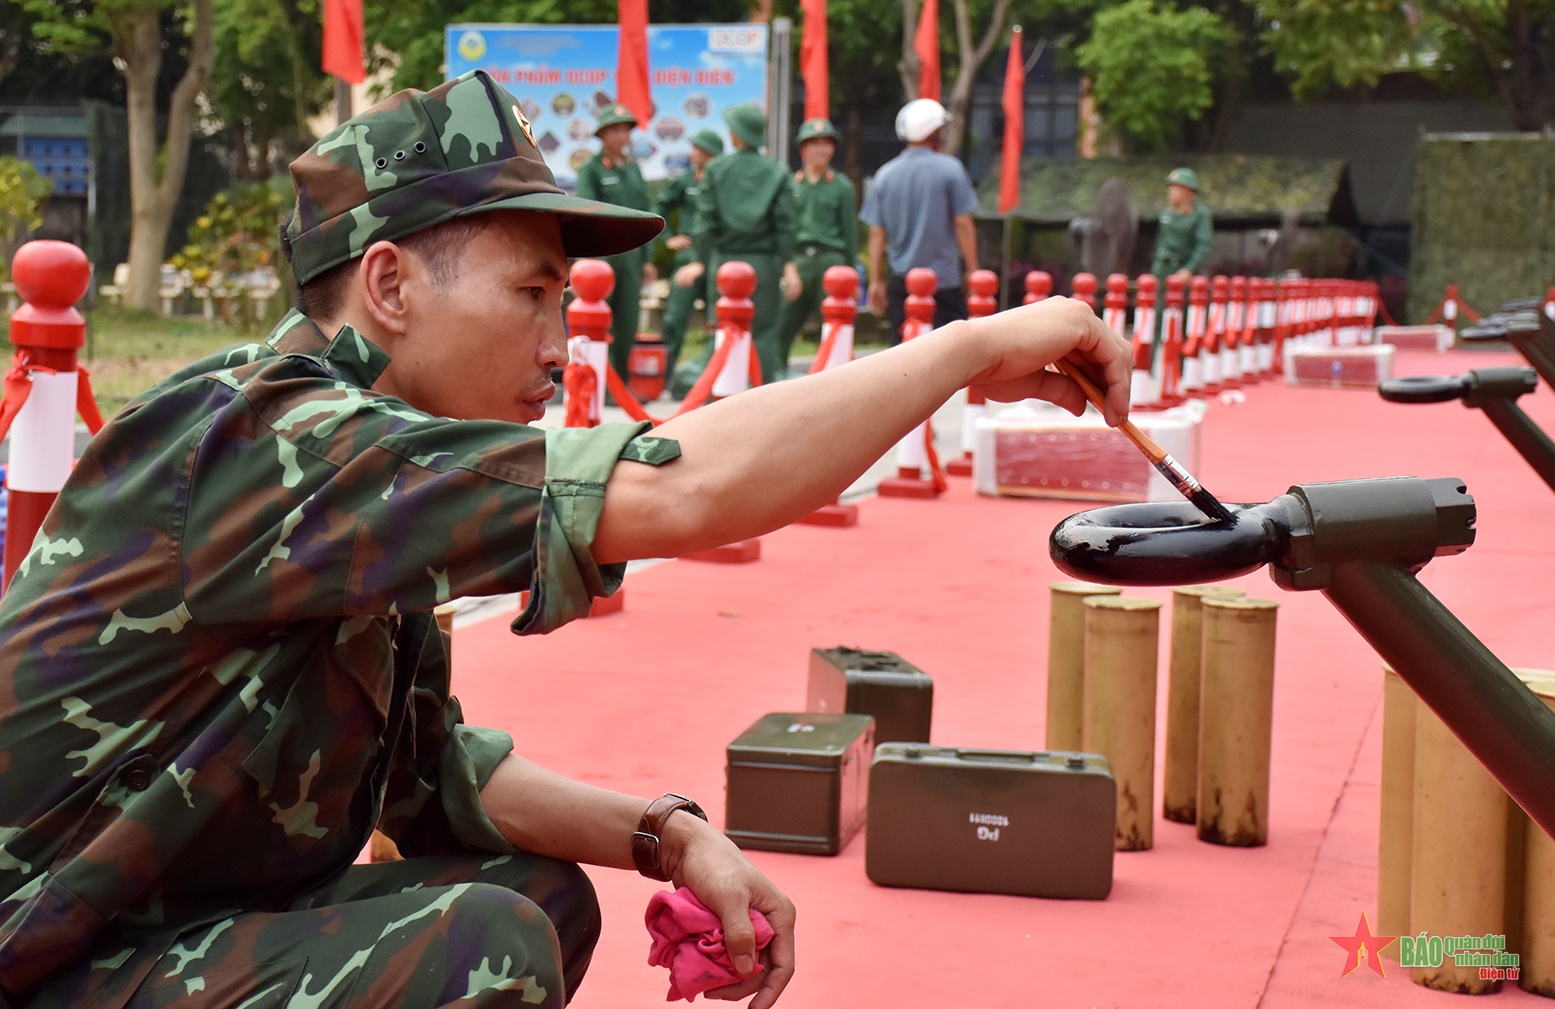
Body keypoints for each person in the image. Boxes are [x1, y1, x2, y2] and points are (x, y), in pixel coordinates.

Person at [0, 70, 1131, 1009]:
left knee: (540, 896)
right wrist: (968, 349)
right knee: (485, 944)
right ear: (388, 284)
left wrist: (668, 833)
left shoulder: (374, 470)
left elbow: (426, 768)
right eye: (532, 293)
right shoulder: (270, 441)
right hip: (41, 957)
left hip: (142, 932)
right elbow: (685, 490)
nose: (560, 344)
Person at [678, 103, 801, 384]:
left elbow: (705, 222)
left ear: (736, 135)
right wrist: (789, 266)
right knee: (765, 335)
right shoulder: (778, 171)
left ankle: (718, 402)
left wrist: (699, 260)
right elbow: (785, 225)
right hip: (764, 267)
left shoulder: (716, 169)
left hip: (725, 267)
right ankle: (765, 402)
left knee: (721, 333)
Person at [859, 98, 980, 342]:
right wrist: (973, 270)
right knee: (950, 352)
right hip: (943, 282)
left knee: (903, 353)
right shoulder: (951, 170)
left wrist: (876, 281)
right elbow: (963, 223)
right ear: (933, 131)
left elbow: (876, 232)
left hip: (901, 282)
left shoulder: (885, 175)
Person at [575, 102, 653, 383]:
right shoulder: (591, 169)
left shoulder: (633, 169)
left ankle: (619, 383)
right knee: (597, 322)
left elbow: (645, 214)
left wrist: (647, 260)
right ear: (602, 135)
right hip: (603, 256)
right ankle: (595, 381)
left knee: (628, 322)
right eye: (615, 130)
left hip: (631, 256)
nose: (622, 136)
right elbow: (586, 213)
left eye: (626, 130)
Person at [777, 118, 857, 371]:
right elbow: (784, 229)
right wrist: (787, 267)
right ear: (804, 149)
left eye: (827, 144)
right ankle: (775, 379)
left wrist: (851, 275)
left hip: (830, 261)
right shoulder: (791, 185)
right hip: (799, 261)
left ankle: (838, 381)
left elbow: (850, 234)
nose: (822, 150)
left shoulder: (841, 187)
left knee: (835, 325)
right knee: (781, 325)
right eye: (816, 144)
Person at [653, 129, 724, 381]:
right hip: (687, 258)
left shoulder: (724, 180)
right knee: (675, 317)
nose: (692, 153)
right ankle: (667, 376)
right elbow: (660, 206)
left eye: (697, 148)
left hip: (716, 257)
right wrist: (668, 237)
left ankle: (711, 376)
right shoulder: (685, 180)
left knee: (717, 320)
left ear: (710, 153)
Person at [1150, 168, 1213, 280]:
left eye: (1176, 188)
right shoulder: (1166, 212)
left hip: (1184, 269)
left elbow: (1203, 245)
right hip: (1163, 268)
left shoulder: (1200, 214)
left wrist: (1189, 269)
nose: (1170, 191)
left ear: (1188, 191)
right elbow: (1161, 240)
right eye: (1170, 187)